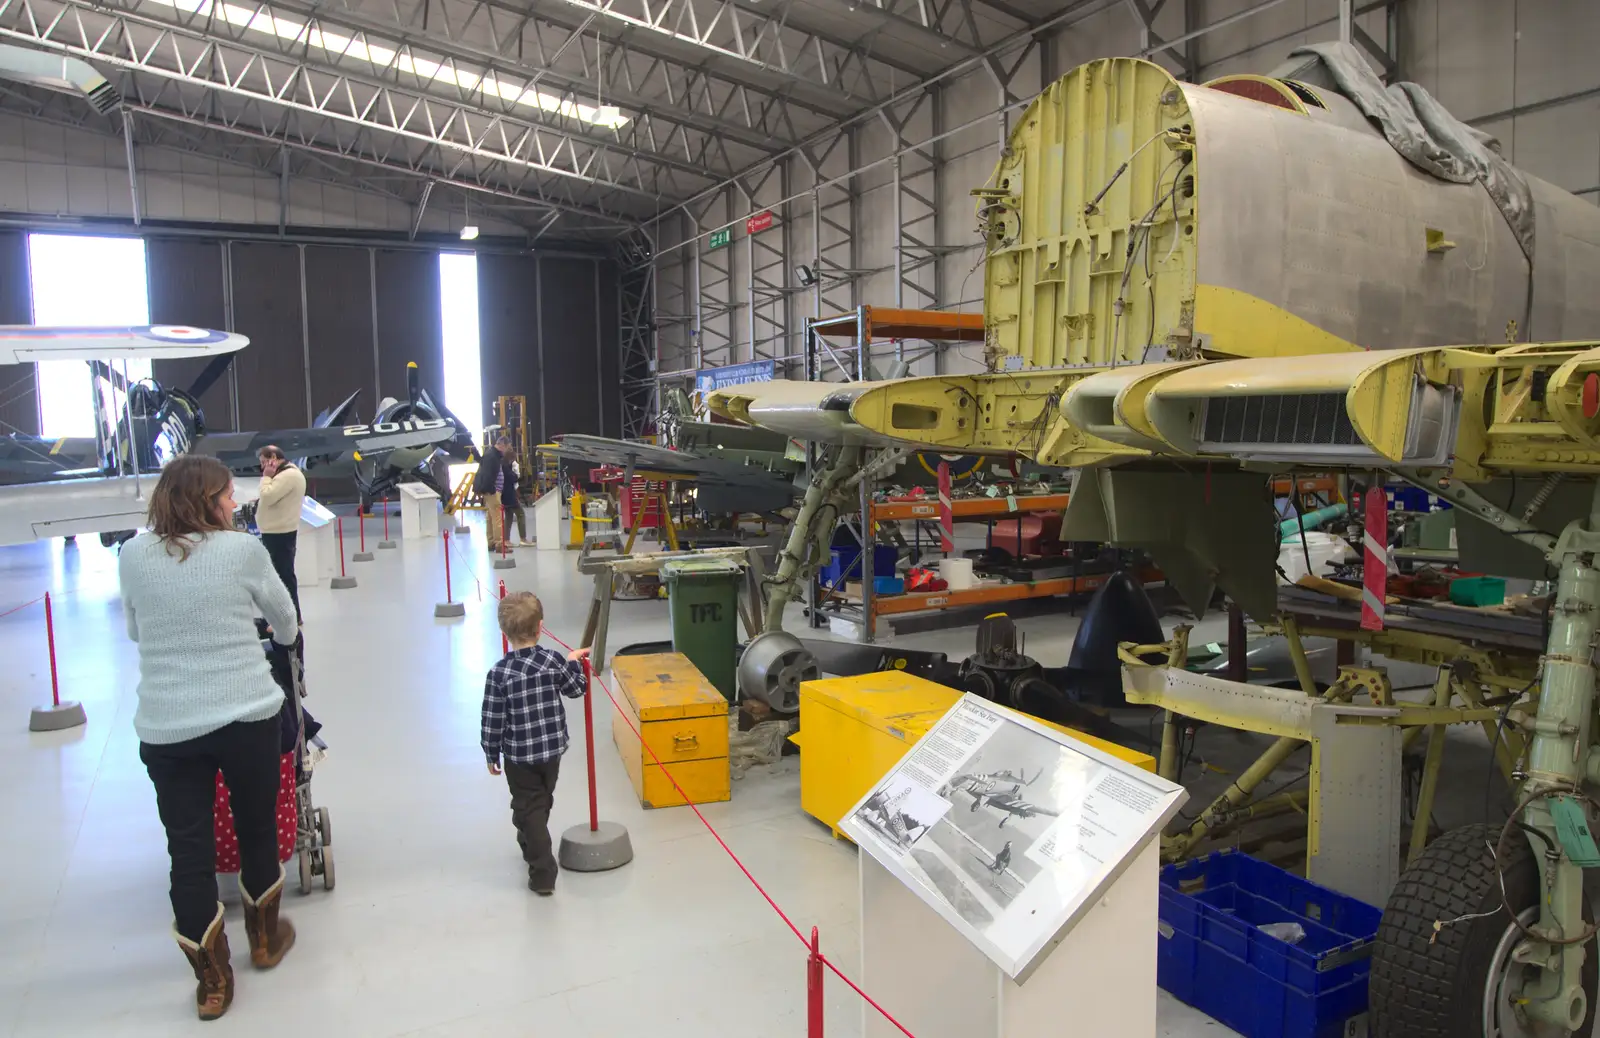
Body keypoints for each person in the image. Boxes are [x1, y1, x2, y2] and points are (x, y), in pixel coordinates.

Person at [118, 455, 300, 1021]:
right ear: (208, 499)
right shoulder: (242, 550)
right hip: (246, 715)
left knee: (187, 850)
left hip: (169, 728)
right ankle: (265, 940)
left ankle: (212, 979)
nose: (231, 504)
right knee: (256, 824)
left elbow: (133, 628)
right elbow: (286, 620)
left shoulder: (132, 554)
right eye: (225, 495)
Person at [480, 592, 590, 894]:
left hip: (519, 756)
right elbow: (576, 689)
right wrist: (573, 663)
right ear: (540, 627)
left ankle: (543, 872)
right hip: (552, 750)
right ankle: (530, 833)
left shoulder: (499, 674)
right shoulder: (553, 661)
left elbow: (492, 718)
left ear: (504, 632)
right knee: (540, 801)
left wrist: (490, 752)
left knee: (530, 807)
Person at [254, 446, 306, 622]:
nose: (262, 467)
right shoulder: (286, 474)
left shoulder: (288, 475)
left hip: (279, 533)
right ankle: (284, 614)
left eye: (263, 462)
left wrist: (267, 477)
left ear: (273, 457)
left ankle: (290, 616)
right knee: (279, 575)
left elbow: (268, 496)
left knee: (283, 575)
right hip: (276, 531)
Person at [472, 434, 514, 553]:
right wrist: (492, 490)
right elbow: (488, 475)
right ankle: (499, 544)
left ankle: (491, 542)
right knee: (497, 517)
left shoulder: (492, 454)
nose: (507, 451)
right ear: (501, 445)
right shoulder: (492, 456)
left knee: (490, 517)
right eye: (507, 447)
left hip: (491, 491)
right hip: (492, 492)